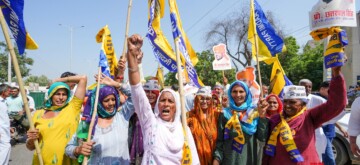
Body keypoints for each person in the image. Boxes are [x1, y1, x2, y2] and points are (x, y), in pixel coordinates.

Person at [127, 34, 200, 164]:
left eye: (170, 101)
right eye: (162, 100)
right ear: (157, 105)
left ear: (176, 107)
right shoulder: (150, 123)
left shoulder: (184, 130)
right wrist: (132, 55)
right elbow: (137, 90)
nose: (166, 104)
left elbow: (193, 161)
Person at [263, 66, 347, 164]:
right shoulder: (275, 119)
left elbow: (336, 105)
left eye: (293, 102)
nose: (287, 106)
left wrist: (336, 74)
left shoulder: (309, 117)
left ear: (303, 104)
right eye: (285, 102)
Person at [65, 75, 135, 164]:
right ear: (97, 103)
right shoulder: (88, 124)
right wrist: (78, 150)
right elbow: (68, 148)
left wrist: (116, 84)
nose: (111, 103)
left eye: (113, 99)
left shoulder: (122, 117)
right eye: (106, 100)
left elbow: (136, 96)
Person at [26, 75, 87, 165]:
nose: (61, 97)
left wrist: (57, 80)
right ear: (50, 95)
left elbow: (83, 78)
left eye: (64, 94)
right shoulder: (37, 114)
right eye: (57, 94)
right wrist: (31, 140)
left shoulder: (73, 108)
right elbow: (30, 147)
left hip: (67, 160)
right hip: (41, 161)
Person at [213, 80, 268, 165]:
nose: (238, 95)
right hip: (229, 160)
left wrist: (262, 117)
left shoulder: (254, 112)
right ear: (230, 93)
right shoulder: (225, 114)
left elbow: (262, 138)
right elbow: (220, 141)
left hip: (249, 160)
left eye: (241, 91)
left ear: (246, 93)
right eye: (234, 91)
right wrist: (217, 159)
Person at [129, 79, 160, 165]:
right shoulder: (137, 110)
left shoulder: (161, 113)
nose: (150, 95)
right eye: (147, 92)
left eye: (153, 92)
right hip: (138, 153)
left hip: (155, 154)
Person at [187, 87, 220, 165]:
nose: (204, 102)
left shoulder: (217, 115)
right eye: (201, 98)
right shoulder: (189, 116)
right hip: (196, 159)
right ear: (197, 100)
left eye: (207, 99)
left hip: (215, 160)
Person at [0, 84, 11, 164]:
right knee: (6, 147)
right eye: (9, 91)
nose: (10, 93)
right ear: (3, 92)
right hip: (1, 130)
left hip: (5, 128)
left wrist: (9, 127)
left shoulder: (3, 101)